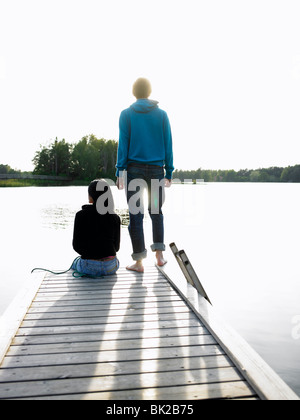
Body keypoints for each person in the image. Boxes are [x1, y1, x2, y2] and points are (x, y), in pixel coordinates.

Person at [116, 77, 174, 273]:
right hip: (157, 170)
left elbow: (123, 144)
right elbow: (168, 144)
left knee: (135, 216)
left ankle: (139, 262)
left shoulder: (126, 115)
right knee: (156, 212)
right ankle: (159, 256)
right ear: (149, 92)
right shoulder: (162, 115)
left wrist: (119, 171)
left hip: (134, 170)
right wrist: (170, 170)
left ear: (134, 92)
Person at [72, 179, 121, 277]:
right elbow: (116, 248)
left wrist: (91, 254)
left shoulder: (80, 215)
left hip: (89, 267)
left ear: (90, 197)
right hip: (110, 267)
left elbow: (76, 246)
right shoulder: (115, 217)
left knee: (75, 263)